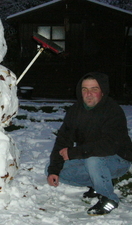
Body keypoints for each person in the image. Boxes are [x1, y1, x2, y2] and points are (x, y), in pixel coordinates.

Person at [46, 72, 132, 215]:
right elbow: (63, 140)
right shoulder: (75, 110)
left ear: (102, 91)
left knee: (94, 160)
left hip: (118, 160)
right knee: (52, 169)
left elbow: (109, 145)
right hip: (90, 158)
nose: (89, 93)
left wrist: (74, 153)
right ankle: (97, 184)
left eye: (94, 89)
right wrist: (53, 170)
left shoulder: (113, 111)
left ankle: (109, 199)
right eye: (84, 89)